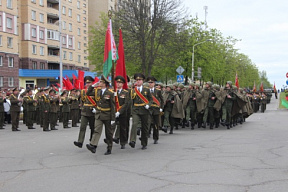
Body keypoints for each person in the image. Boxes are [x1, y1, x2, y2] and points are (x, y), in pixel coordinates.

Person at [86, 75, 115, 155]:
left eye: (101, 82)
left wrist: (113, 118)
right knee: (97, 130)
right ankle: (93, 145)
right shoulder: (97, 91)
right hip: (99, 114)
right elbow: (88, 93)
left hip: (107, 115)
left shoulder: (110, 93)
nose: (99, 83)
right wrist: (92, 86)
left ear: (105, 83)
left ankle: (109, 147)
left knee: (108, 133)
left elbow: (113, 106)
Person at [129, 73, 152, 150]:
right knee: (135, 124)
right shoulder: (133, 90)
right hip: (136, 109)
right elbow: (131, 100)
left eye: (140, 80)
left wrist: (148, 104)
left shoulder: (146, 90)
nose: (138, 81)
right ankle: (132, 140)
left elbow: (151, 99)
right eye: (137, 80)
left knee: (144, 127)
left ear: (143, 81)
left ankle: (144, 143)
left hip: (144, 110)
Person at [74, 76, 97, 148]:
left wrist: (96, 108)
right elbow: (82, 101)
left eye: (89, 83)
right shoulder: (83, 91)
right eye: (86, 83)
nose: (88, 84)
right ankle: (80, 142)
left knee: (93, 127)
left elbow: (98, 101)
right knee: (82, 127)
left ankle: (92, 141)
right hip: (84, 111)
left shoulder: (95, 91)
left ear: (92, 83)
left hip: (92, 111)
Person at [113, 75, 130, 149]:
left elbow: (126, 103)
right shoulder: (113, 92)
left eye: (120, 83)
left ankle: (123, 142)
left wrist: (119, 112)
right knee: (111, 126)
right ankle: (109, 139)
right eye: (117, 82)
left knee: (123, 128)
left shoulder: (125, 92)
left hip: (122, 113)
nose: (118, 84)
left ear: (123, 84)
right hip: (114, 112)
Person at [147, 76, 164, 144]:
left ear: (154, 83)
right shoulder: (146, 90)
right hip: (148, 109)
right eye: (149, 82)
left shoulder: (158, 91)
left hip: (156, 109)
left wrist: (161, 108)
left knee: (155, 124)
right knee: (147, 123)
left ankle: (155, 137)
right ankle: (146, 135)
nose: (150, 84)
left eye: (152, 82)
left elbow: (162, 100)